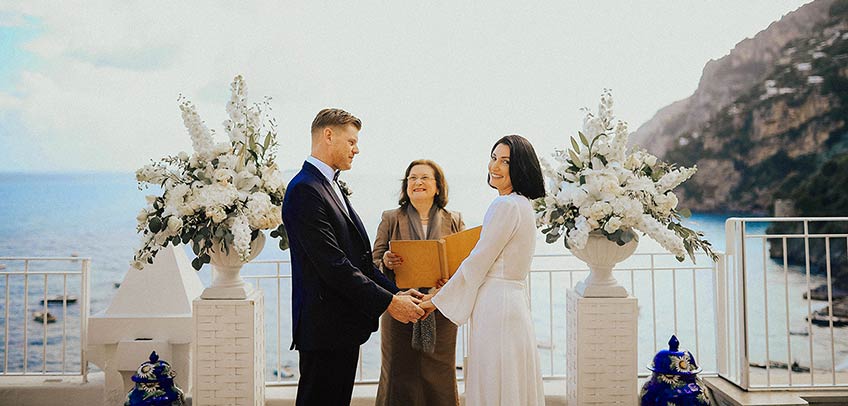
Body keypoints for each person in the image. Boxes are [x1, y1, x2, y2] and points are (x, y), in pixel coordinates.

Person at [282, 108, 425, 406]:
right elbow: (333, 265)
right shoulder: (304, 190)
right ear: (328, 135)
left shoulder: (329, 185)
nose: (356, 149)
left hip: (341, 329)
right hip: (324, 331)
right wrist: (389, 304)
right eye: (351, 141)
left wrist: (396, 292)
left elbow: (359, 259)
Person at [421, 134, 546, 405]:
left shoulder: (505, 205)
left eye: (505, 162)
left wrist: (435, 300)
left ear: (521, 168)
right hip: (511, 303)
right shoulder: (523, 205)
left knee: (494, 380)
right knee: (510, 380)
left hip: (496, 307)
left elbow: (478, 262)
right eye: (493, 158)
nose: (495, 167)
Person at [372, 159, 465, 406]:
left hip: (440, 310)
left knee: (440, 376)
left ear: (438, 186)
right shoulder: (391, 218)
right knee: (398, 374)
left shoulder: (454, 219)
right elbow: (372, 263)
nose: (418, 182)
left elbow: (465, 264)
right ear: (406, 186)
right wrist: (386, 261)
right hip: (400, 308)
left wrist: (450, 278)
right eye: (412, 178)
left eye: (424, 177)